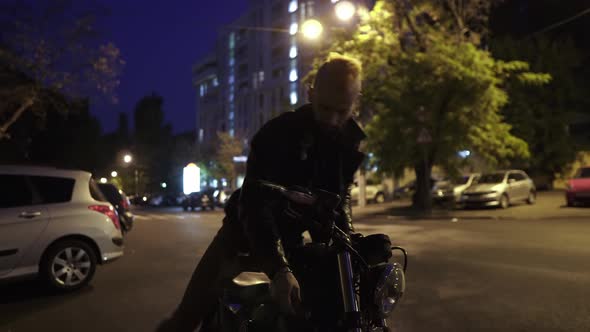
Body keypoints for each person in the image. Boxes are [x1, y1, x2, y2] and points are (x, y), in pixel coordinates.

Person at [156, 53, 366, 332]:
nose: (333, 119)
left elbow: (338, 202)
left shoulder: (350, 142)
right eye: (325, 108)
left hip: (292, 241)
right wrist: (279, 270)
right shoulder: (277, 134)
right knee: (187, 315)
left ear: (356, 101)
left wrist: (350, 250)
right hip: (242, 235)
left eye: (343, 110)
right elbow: (254, 205)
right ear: (310, 93)